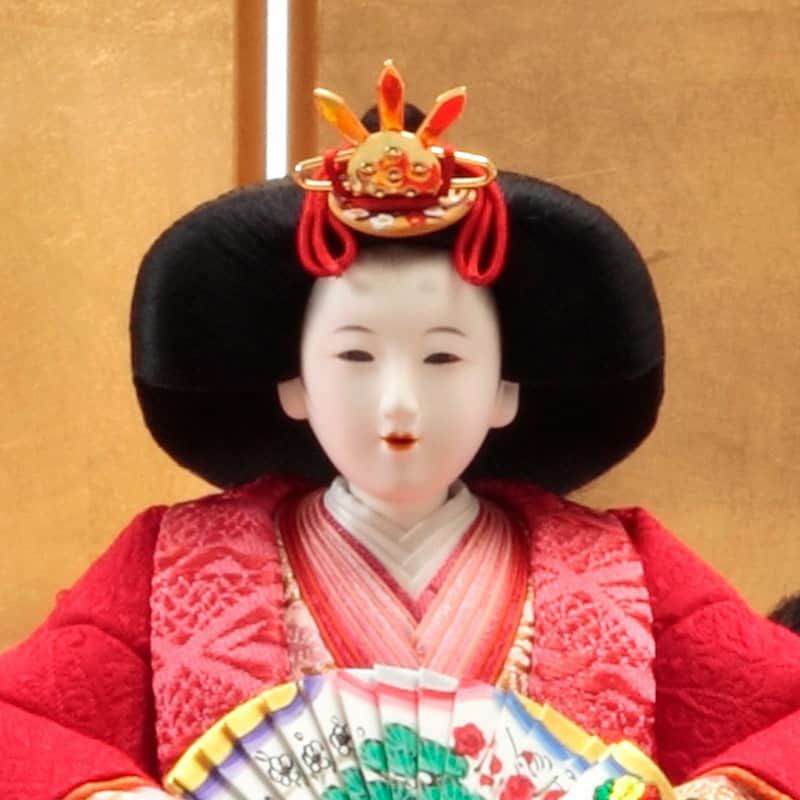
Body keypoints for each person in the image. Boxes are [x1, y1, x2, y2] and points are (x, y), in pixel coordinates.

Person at [1, 64, 799, 800]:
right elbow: (20, 721)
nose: (399, 403)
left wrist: (735, 787)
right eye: (354, 356)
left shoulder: (625, 570)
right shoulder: (170, 564)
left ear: (505, 390)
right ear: (294, 384)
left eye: (443, 358)